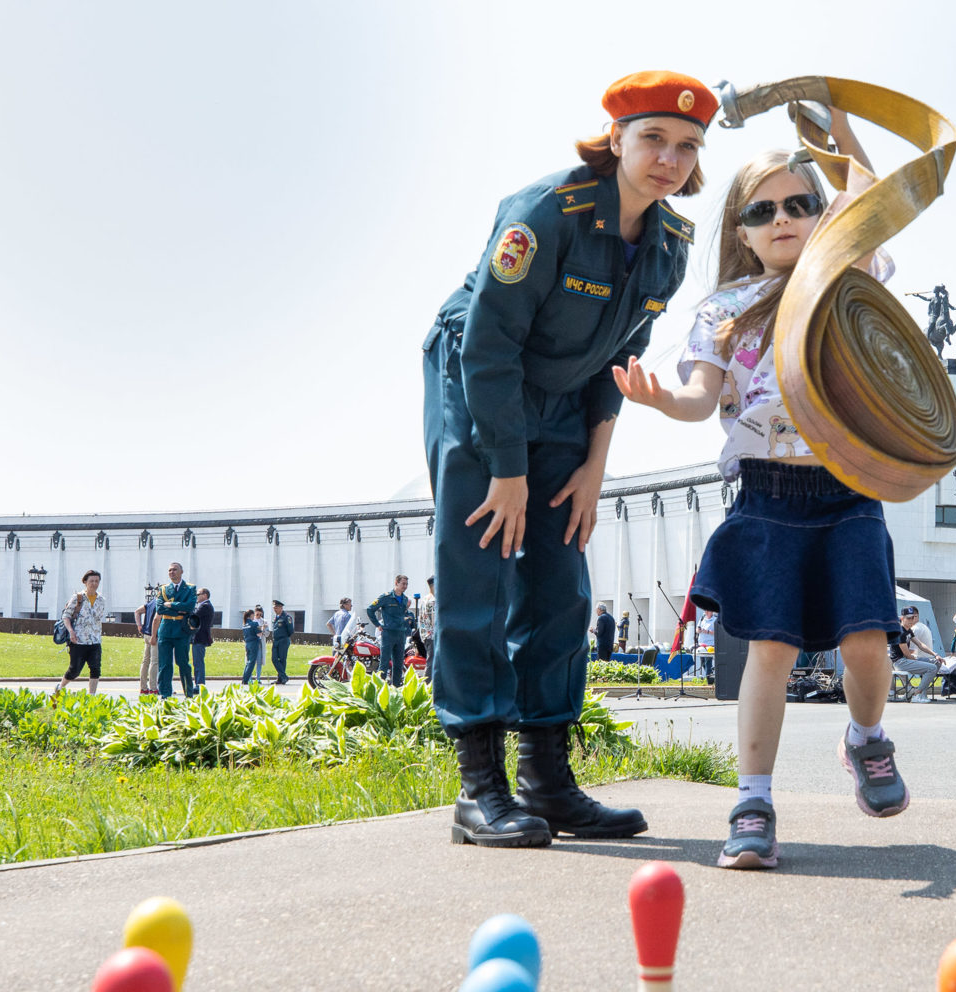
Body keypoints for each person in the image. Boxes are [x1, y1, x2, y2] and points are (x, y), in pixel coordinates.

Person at [423, 72, 711, 850]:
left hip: (567, 404)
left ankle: (546, 783)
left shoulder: (670, 247)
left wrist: (594, 465)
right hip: (479, 384)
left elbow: (620, 355)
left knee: (561, 587)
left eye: (686, 147)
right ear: (615, 139)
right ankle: (478, 791)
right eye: (653, 138)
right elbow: (487, 347)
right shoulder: (544, 215)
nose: (668, 159)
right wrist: (508, 470)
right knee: (481, 567)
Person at [612, 117, 909, 872]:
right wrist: (659, 398)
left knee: (867, 640)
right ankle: (753, 802)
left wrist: (838, 127)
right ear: (742, 231)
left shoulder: (845, 278)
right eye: (762, 210)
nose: (782, 219)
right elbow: (696, 396)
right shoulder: (725, 309)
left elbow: (876, 202)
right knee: (769, 650)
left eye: (799, 204)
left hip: (846, 486)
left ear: (821, 215)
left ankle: (867, 738)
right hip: (766, 492)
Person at [151, 562, 197, 700]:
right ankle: (165, 694)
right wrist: (179, 608)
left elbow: (189, 606)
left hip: (181, 630)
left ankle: (189, 694)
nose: (172, 572)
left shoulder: (190, 588)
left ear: (181, 571)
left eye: (175, 570)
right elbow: (160, 609)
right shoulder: (163, 589)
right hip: (165, 630)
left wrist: (171, 604)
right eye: (170, 570)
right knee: (164, 664)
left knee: (183, 663)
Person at [57, 569, 108, 695]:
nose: (94, 583)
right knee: (74, 670)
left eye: (97, 581)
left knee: (96, 669)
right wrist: (71, 631)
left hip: (95, 640)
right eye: (91, 581)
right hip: (78, 640)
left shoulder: (101, 600)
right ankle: (60, 687)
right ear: (85, 582)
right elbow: (66, 616)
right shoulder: (78, 598)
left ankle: (92, 696)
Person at [366, 575, 413, 686]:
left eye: (406, 584)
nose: (405, 586)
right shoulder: (386, 597)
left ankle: (396, 689)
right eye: (403, 584)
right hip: (388, 634)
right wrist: (377, 624)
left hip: (401, 634)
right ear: (396, 583)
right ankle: (379, 689)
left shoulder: (405, 599)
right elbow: (370, 609)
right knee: (384, 663)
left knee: (398, 664)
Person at [890, 607, 941, 702]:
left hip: (906, 660)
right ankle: (916, 695)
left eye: (913, 618)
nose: (911, 620)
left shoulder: (908, 630)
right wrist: (917, 660)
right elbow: (907, 654)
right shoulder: (900, 632)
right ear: (902, 618)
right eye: (908, 618)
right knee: (931, 668)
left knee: (937, 662)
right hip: (900, 663)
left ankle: (920, 693)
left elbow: (920, 644)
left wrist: (935, 654)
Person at [136, 585, 161, 695]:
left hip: (146, 634)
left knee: (145, 661)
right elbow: (156, 620)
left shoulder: (151, 603)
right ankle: (153, 687)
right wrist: (154, 635)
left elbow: (137, 611)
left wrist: (139, 625)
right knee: (154, 661)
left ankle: (143, 687)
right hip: (153, 635)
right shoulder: (160, 603)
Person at [191, 588, 215, 692]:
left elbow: (193, 616)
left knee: (198, 662)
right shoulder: (204, 605)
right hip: (199, 638)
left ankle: (199, 684)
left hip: (200, 638)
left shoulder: (205, 606)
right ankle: (199, 683)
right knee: (197, 662)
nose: (196, 596)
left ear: (205, 595)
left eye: (198, 594)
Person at [270, 600, 293, 685]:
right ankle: (284, 676)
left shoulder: (286, 617)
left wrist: (284, 637)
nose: (274, 609)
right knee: (274, 659)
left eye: (276, 608)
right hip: (276, 640)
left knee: (282, 659)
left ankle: (280, 678)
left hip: (283, 640)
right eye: (274, 608)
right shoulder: (276, 617)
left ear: (280, 607)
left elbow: (290, 630)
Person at [241, 607, 266, 685]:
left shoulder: (244, 625)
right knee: (252, 662)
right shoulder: (254, 623)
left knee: (248, 662)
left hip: (247, 644)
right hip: (254, 643)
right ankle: (246, 680)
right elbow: (259, 634)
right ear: (251, 615)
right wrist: (263, 628)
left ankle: (244, 678)